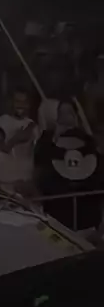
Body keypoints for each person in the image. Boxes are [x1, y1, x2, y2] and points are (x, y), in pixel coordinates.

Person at [34, 99, 102, 231]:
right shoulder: (46, 139)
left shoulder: (86, 139)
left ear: (76, 116)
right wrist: (56, 138)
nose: (65, 117)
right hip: (58, 205)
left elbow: (93, 162)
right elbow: (40, 161)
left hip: (85, 206)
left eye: (69, 113)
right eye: (61, 113)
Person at [0, 89, 38, 195]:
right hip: (2, 181)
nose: (21, 105)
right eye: (17, 101)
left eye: (24, 102)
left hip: (24, 183)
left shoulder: (33, 126)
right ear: (10, 102)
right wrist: (16, 139)